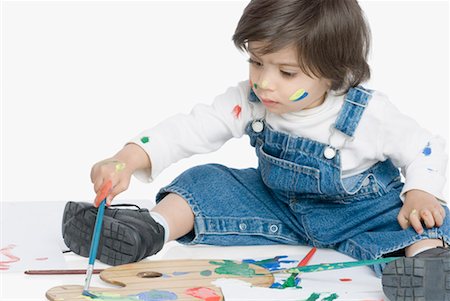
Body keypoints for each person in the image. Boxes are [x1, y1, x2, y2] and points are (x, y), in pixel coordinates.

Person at [62, 0, 450, 299]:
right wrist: (128, 157)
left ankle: (428, 264)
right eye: (256, 61)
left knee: (423, 221)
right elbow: (191, 127)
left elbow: (426, 149)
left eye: (286, 72)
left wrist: (419, 192)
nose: (264, 83)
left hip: (363, 213)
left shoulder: (369, 114)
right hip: (278, 205)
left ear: (336, 71)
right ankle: (150, 230)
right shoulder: (249, 100)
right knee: (207, 181)